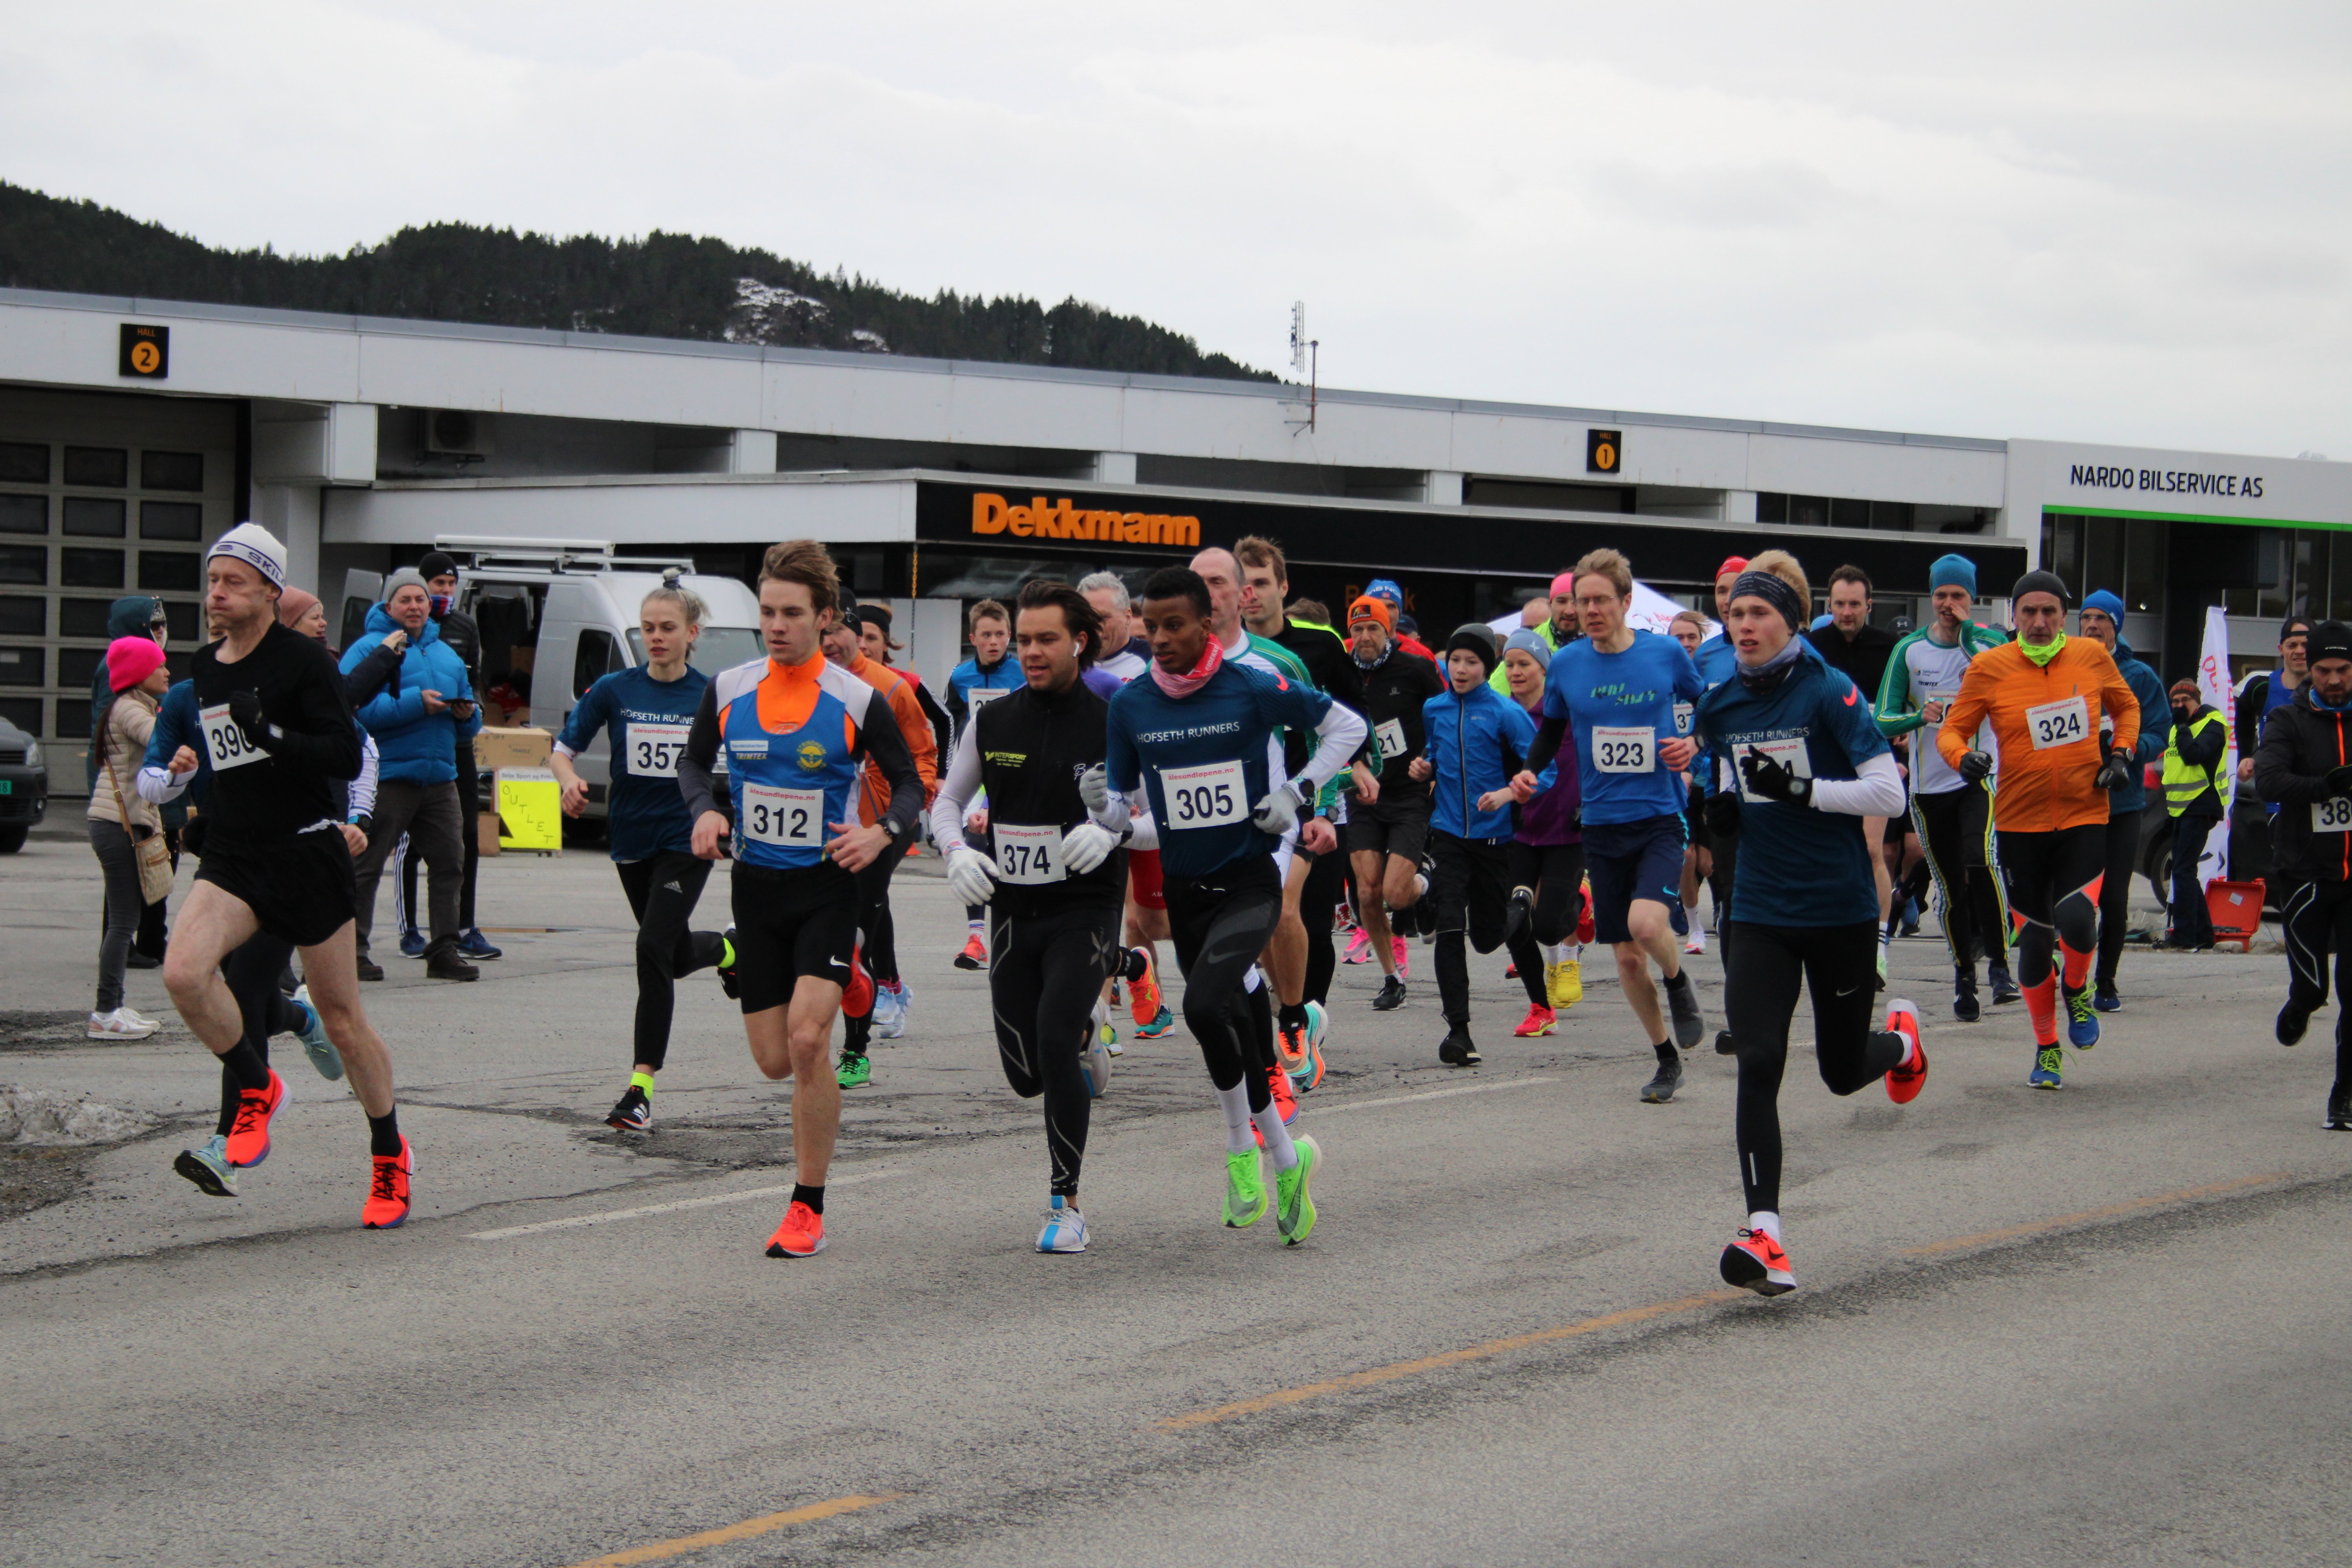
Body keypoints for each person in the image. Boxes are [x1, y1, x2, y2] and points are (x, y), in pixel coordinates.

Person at [150, 524, 412, 1226]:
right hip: (236, 856)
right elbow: (227, 761)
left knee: (342, 1021)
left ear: (270, 589)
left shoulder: (304, 662)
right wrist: (193, 798)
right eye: (213, 581)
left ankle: (390, 1154)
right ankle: (258, 1086)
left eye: (233, 582)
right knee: (184, 974)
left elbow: (344, 756)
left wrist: (268, 731)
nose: (217, 594)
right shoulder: (205, 667)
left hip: (305, 855)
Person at [675, 540, 924, 1259]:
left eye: (791, 614)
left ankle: (806, 1205)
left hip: (827, 886)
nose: (777, 626)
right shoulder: (730, 689)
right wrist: (705, 810)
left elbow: (910, 782)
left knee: (810, 1043)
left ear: (824, 618)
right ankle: (854, 981)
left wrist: (882, 832)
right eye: (767, 613)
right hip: (756, 889)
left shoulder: (856, 697)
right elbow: (693, 761)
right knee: (774, 1061)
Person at [1100, 566, 1363, 1243]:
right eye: (1150, 626)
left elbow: (1348, 728)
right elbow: (1129, 818)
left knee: (1201, 1005)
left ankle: (1239, 1148)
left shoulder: (1252, 685)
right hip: (1187, 890)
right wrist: (1101, 813)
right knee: (1226, 1018)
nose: (1160, 638)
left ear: (1207, 622)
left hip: (1250, 883)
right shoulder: (1131, 706)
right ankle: (1286, 1158)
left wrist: (1298, 793)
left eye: (1174, 625)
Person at [1694, 554, 1927, 1297]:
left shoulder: (1829, 690)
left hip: (1838, 909)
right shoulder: (1719, 703)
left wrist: (1801, 791)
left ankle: (1901, 1043)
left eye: (1759, 613)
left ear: (1792, 622)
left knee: (1839, 1072)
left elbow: (1888, 793)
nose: (1744, 625)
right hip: (1761, 909)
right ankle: (1764, 1233)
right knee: (1759, 1059)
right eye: (1736, 613)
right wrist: (1721, 808)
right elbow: (1724, 769)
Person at [931, 579, 1163, 1250]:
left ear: (1079, 643)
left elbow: (1164, 820)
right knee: (1026, 1074)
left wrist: (1115, 833)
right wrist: (955, 852)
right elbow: (948, 803)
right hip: (1013, 908)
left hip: (1085, 906)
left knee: (1055, 1042)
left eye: (1046, 640)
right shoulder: (994, 720)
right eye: (1024, 640)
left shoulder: (1116, 721)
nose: (1031, 652)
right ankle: (1110, 996)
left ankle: (1067, 1206)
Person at [145, 586, 367, 1175]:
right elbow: (157, 773)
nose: (321, 625)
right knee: (235, 994)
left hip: (300, 855)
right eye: (313, 617)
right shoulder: (193, 688)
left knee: (244, 990)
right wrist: (174, 777)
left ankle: (228, 1141)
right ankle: (300, 1020)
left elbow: (358, 750)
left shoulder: (304, 676)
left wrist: (356, 820)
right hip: (230, 858)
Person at [1514, 548, 1709, 1103]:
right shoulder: (1568, 664)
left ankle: (1677, 980)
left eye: (1602, 600)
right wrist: (1529, 771)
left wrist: (1693, 742)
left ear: (1626, 602)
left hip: (1659, 818)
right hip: (1600, 824)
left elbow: (1710, 706)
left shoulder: (1665, 653)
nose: (1591, 610)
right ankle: (1666, 1058)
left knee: (1647, 927)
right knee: (1625, 956)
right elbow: (1552, 732)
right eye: (1583, 601)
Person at [1936, 570, 2139, 1090]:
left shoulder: (2091, 657)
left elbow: (2127, 707)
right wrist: (1963, 758)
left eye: (2050, 611)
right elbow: (1953, 729)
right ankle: (2047, 1047)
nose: (2040, 621)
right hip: (2019, 822)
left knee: (2078, 919)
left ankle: (2077, 988)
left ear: (2064, 616)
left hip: (2084, 814)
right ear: (2015, 616)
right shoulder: (1990, 666)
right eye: (2029, 611)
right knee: (2033, 945)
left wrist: (2121, 756)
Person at [552, 579, 731, 1132]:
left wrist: (727, 817)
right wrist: (568, 781)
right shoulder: (615, 689)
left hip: (687, 841)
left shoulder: (712, 695)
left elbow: (737, 766)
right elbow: (563, 749)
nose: (656, 637)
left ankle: (640, 1090)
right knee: (671, 957)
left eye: (667, 628)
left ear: (691, 634)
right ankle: (730, 951)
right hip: (631, 842)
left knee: (651, 946)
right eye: (648, 628)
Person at [1190, 544, 1341, 1118]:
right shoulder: (1172, 665)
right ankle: (1273, 1037)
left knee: (1279, 911)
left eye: (1220, 583)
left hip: (1281, 817)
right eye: (1199, 584)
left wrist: (1318, 805)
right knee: (1228, 950)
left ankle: (1293, 1021)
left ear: (1243, 593)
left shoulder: (1281, 662)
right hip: (1208, 828)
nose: (1210, 595)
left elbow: (1332, 732)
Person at [1238, 535, 1372, 1044]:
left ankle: (1304, 1019)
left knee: (1306, 918)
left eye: (1261, 583)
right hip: (1251, 804)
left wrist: (1361, 764)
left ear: (1283, 586)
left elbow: (1356, 712)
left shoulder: (1320, 647)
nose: (1250, 594)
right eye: (1242, 584)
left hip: (1315, 800)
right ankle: (1288, 1007)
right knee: (1267, 917)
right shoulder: (1222, 654)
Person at [1877, 553, 2016, 1020]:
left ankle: (2000, 966)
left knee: (1982, 859)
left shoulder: (1990, 643)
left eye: (1958, 595)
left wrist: (1969, 637)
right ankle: (1964, 976)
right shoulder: (1910, 650)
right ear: (1931, 597)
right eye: (1941, 595)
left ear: (1971, 599)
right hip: (1929, 788)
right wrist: (1920, 717)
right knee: (1951, 885)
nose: (1948, 604)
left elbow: (2009, 685)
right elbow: (1882, 717)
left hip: (1978, 778)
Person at [1409, 623, 1550, 1062]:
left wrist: (1509, 794)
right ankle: (1459, 1033)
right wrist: (1424, 767)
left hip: (1496, 839)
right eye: (1455, 660)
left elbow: (1545, 771)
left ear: (1487, 668)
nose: (1461, 669)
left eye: (1472, 662)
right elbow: (1435, 753)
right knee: (1450, 927)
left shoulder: (1506, 712)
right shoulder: (1434, 708)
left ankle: (1519, 910)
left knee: (1487, 939)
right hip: (1449, 834)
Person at [339, 569, 483, 982]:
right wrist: (417, 704)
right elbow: (354, 711)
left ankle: (444, 950)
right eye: (405, 600)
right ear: (389, 607)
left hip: (439, 778)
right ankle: (352, 952)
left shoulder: (447, 656)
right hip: (387, 776)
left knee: (450, 864)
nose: (415, 607)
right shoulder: (368, 650)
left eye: (421, 599)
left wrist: (466, 715)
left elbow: (469, 727)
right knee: (366, 866)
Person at [821, 599, 938, 1085]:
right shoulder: (808, 686)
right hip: (826, 831)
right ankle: (888, 986)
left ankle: (856, 1048)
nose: (831, 642)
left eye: (841, 631)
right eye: (823, 632)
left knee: (857, 934)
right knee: (835, 931)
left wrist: (907, 810)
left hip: (882, 826)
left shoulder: (890, 687)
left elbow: (924, 754)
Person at [2251, 619, 2352, 1130]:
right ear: (2310, 669)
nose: (2334, 680)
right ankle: (2300, 1006)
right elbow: (2269, 780)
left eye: (2343, 670)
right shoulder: (2287, 720)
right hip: (2305, 873)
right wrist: (2325, 787)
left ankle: (2344, 1095)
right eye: (2324, 670)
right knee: (2315, 988)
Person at [1079, 571, 1176, 1041]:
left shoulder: (1148, 668)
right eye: (1087, 616)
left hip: (1147, 814)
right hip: (1092, 813)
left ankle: (1144, 974)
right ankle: (1103, 1022)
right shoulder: (1069, 670)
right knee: (1100, 917)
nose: (1095, 625)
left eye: (1103, 616)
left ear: (1127, 615)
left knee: (1149, 922)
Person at [394, 551, 499, 963]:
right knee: (411, 842)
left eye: (452, 584)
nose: (446, 591)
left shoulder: (464, 627)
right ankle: (410, 930)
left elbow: (474, 683)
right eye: (439, 584)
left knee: (465, 837)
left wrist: (470, 711)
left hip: (457, 746)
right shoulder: (402, 632)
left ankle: (463, 926)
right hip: (416, 748)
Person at [1343, 593, 1443, 1011]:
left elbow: (1443, 716)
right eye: (1358, 629)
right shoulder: (1341, 672)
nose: (1366, 637)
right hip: (1363, 794)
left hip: (1408, 793)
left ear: (1389, 631)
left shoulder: (1415, 669)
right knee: (1367, 892)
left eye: (1374, 628)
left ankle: (1427, 883)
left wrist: (1432, 764)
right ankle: (1392, 977)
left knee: (1396, 895)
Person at [1805, 565, 1903, 980]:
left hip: (1874, 762)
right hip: (1824, 765)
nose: (1847, 612)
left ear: (1869, 605)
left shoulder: (1890, 648)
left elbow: (1904, 705)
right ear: (1829, 605)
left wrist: (1902, 747)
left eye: (1855, 605)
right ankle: (1830, 940)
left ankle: (1877, 947)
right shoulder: (1811, 647)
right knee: (1822, 855)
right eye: (1840, 604)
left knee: (1871, 850)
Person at [2077, 590, 2170, 1008]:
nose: (2093, 625)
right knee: (2077, 900)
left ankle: (2107, 981)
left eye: (2102, 619)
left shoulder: (2140, 676)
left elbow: (2159, 732)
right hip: (2075, 802)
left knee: (2114, 899)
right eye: (2087, 618)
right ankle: (2075, 978)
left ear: (2116, 627)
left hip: (2122, 804)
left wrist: (2126, 748)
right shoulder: (2066, 667)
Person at [87, 635, 171, 1040]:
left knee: (126, 921)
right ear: (139, 673)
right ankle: (106, 1013)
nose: (167, 672)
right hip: (116, 825)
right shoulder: (130, 709)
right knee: (122, 924)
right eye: (160, 666)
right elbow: (161, 739)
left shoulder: (133, 705)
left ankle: (114, 1005)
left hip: (117, 823)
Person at [1502, 626, 1586, 1017]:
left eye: (1525, 664)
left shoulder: (1565, 714)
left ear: (1545, 670)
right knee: (1515, 919)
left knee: (1549, 923)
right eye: (1509, 665)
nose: (1516, 672)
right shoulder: (1502, 714)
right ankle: (1541, 1000)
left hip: (1565, 828)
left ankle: (1570, 948)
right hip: (1518, 832)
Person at [947, 598, 1021, 971]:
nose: (994, 642)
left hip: (1015, 770)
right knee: (974, 843)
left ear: (1010, 636)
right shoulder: (960, 676)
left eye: (1001, 635)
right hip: (976, 773)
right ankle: (976, 938)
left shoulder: (1022, 672)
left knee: (1006, 849)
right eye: (986, 635)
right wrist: (948, 774)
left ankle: (1014, 932)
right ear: (972, 637)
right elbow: (952, 725)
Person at [2159, 676, 2230, 950]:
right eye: (2175, 701)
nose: (2180, 706)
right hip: (2181, 807)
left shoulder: (2212, 724)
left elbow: (2193, 756)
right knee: (2183, 869)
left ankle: (2185, 937)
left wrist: (2181, 726)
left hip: (2202, 804)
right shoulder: (2178, 727)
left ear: (2197, 702)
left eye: (2185, 700)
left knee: (2183, 870)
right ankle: (2203, 935)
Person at [1669, 609, 1714, 956]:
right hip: (1676, 782)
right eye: (1678, 638)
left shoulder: (1711, 681)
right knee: (1686, 855)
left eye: (1691, 637)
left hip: (1711, 780)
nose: (1685, 644)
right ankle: (1695, 926)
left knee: (1708, 863)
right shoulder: (1662, 680)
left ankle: (1723, 908)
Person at [2237, 616, 2312, 806]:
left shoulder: (2332, 691)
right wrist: (2245, 756)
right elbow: (2243, 712)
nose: (2300, 651)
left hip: (2318, 798)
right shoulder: (2261, 687)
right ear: (2281, 649)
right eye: (2292, 645)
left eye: (2306, 645)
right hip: (2276, 798)